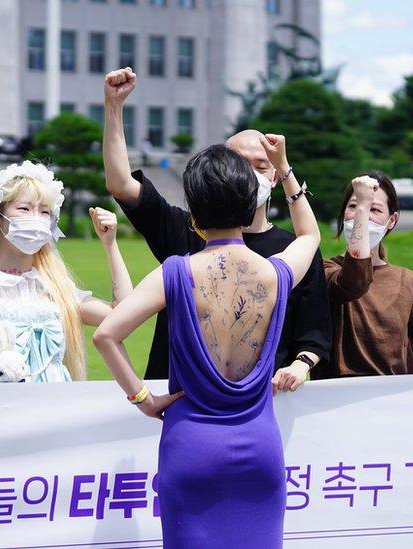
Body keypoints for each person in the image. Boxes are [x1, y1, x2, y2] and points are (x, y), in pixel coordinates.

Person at [93, 132, 320, 548]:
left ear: (194, 213)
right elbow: (309, 235)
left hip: (190, 444)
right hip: (260, 445)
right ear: (252, 199)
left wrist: (144, 399)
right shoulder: (274, 272)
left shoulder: (175, 271)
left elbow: (107, 335)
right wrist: (284, 169)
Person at [102, 67, 330, 391]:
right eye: (238, 163)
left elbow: (314, 331)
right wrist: (113, 107)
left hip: (248, 399)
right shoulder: (275, 265)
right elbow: (122, 184)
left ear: (275, 176)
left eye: (260, 165)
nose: (247, 175)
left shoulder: (176, 272)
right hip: (238, 405)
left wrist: (300, 364)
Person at [0, 161, 133, 383]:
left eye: (45, 212)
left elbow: (125, 314)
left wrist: (110, 245)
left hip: (55, 409)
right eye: (24, 208)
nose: (35, 218)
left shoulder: (57, 287)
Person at [315, 172, 413, 378]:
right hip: (336, 399)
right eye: (354, 207)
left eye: (374, 209)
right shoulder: (325, 270)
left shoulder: (408, 281)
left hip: (395, 398)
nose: (363, 215)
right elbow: (353, 282)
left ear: (392, 220)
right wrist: (364, 206)